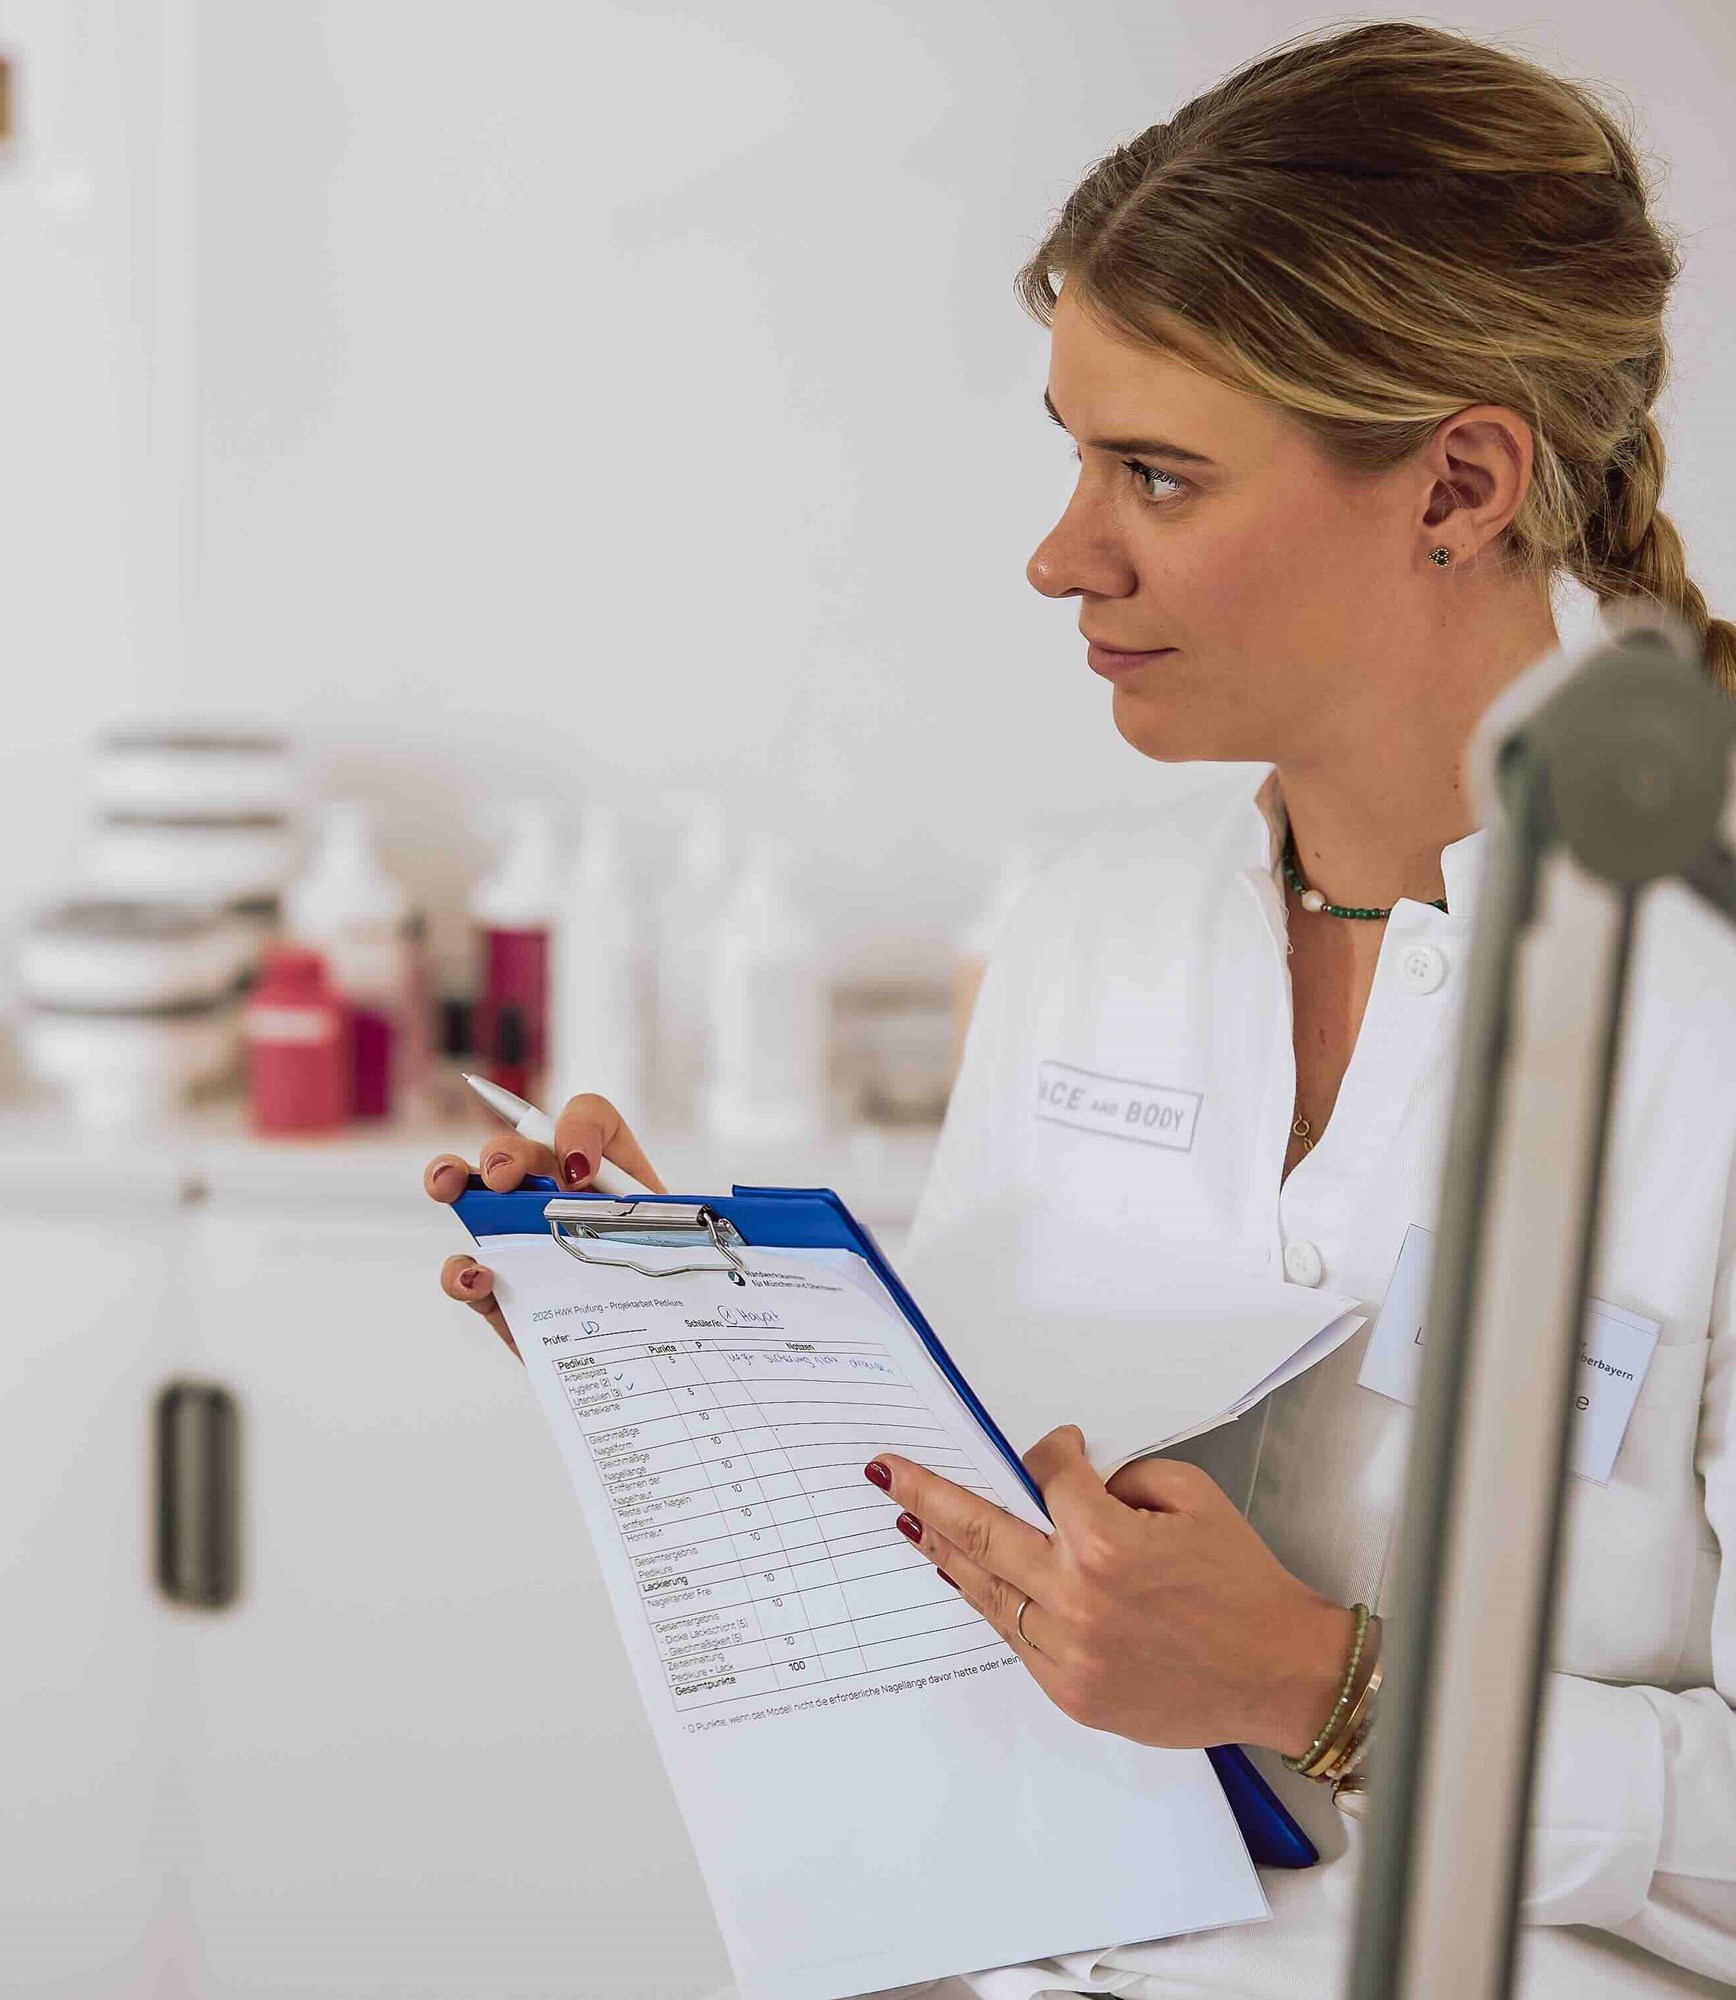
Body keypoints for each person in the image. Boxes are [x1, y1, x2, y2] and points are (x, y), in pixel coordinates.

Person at [427, 23, 1736, 1997]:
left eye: (1158, 474)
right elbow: (1008, 1579)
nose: (1061, 555)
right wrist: (711, 1355)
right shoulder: (1089, 930)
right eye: (1075, 451)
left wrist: (1329, 1686)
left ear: (1459, 484)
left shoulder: (1698, 1003)